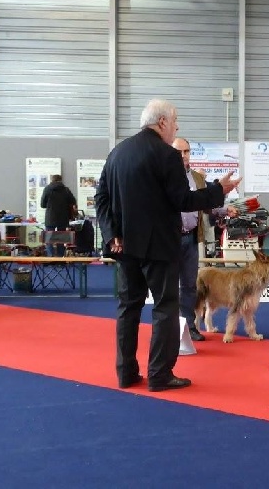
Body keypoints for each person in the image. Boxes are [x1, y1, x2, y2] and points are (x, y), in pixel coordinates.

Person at [95, 98, 241, 392]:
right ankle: (160, 374)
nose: (176, 127)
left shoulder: (117, 153)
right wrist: (217, 190)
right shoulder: (166, 156)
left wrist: (112, 234)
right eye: (175, 122)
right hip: (159, 246)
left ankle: (126, 372)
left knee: (128, 307)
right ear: (162, 122)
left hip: (125, 246)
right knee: (165, 307)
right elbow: (183, 200)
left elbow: (101, 199)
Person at [173, 138, 239, 342]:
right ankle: (170, 329)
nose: (183, 155)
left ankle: (190, 327)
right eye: (179, 152)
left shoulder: (197, 179)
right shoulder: (161, 176)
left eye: (186, 151)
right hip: (168, 239)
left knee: (190, 286)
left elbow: (205, 205)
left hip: (191, 238)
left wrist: (224, 209)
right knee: (166, 285)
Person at [40, 174, 77, 257]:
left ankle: (51, 257)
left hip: (50, 217)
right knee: (61, 237)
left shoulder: (47, 189)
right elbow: (73, 201)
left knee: (48, 238)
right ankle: (60, 257)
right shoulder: (66, 190)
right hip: (63, 217)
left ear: (52, 180)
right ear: (61, 180)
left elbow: (42, 204)